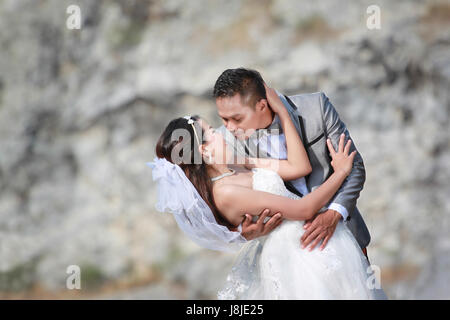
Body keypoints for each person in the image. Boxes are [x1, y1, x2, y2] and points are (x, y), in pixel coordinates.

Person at [148, 84, 387, 299]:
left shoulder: (232, 166)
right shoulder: (227, 192)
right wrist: (340, 172)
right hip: (299, 255)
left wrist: (283, 113)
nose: (220, 131)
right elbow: (304, 209)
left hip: (315, 243)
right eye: (211, 131)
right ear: (205, 150)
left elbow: (298, 167)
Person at [214, 68, 371, 258]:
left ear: (262, 105)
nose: (229, 127)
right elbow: (223, 201)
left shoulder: (316, 107)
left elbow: (354, 167)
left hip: (346, 239)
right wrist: (241, 231)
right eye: (224, 119)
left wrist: (334, 214)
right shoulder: (224, 143)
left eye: (237, 118)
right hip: (286, 255)